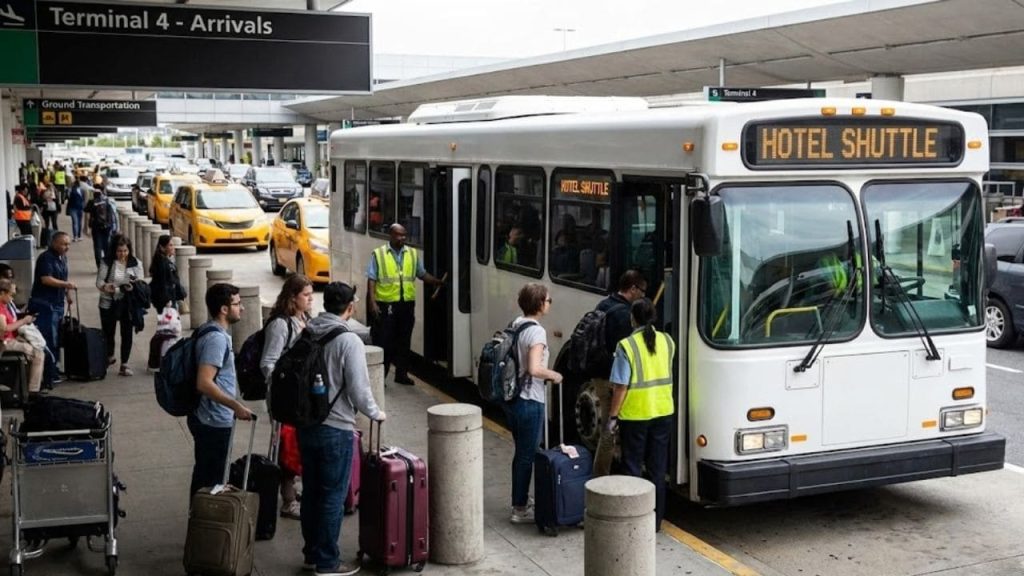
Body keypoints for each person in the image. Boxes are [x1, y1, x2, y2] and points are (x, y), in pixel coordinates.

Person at [301, 281, 385, 576]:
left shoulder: (309, 330)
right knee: (333, 496)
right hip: (334, 427)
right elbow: (360, 390)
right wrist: (376, 413)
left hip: (306, 423)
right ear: (350, 307)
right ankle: (327, 561)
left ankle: (312, 553)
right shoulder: (348, 340)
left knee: (311, 491)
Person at [605, 298, 675, 531]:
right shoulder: (667, 341)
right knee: (657, 469)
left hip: (635, 415)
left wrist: (612, 417)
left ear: (632, 319)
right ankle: (655, 522)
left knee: (633, 468)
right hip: (663, 412)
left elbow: (620, 387)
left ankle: (635, 519)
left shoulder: (626, 346)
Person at [504, 283, 563, 524]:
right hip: (530, 400)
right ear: (539, 304)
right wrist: (554, 375)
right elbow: (534, 368)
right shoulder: (536, 332)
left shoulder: (516, 324)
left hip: (514, 399)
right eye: (548, 301)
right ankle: (519, 508)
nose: (549, 304)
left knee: (521, 453)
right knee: (528, 455)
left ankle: (520, 499)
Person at [188, 283, 254, 497]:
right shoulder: (216, 339)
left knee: (206, 475)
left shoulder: (211, 332)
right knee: (211, 481)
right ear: (224, 309)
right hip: (213, 420)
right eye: (237, 303)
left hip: (210, 417)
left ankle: (200, 521)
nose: (241, 308)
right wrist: (235, 406)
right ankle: (203, 524)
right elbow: (204, 382)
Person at [260, 274, 314, 520]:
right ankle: (288, 500)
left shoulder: (303, 318)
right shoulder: (281, 324)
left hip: (301, 398)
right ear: (293, 297)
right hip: (284, 400)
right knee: (286, 450)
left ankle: (292, 492)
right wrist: (286, 383)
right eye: (306, 295)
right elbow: (268, 363)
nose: (310, 299)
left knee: (297, 447)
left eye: (311, 294)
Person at [365, 223, 444, 385]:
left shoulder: (412, 254)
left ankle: (401, 375)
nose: (402, 238)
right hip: (386, 305)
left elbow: (422, 274)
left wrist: (437, 282)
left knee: (404, 341)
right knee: (385, 342)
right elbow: (371, 280)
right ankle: (380, 378)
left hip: (406, 305)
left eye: (404, 235)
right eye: (399, 235)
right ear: (391, 235)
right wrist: (372, 302)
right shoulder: (379, 254)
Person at [28, 231, 75, 389]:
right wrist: (66, 286)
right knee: (49, 337)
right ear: (54, 243)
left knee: (57, 337)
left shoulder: (63, 258)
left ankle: (54, 368)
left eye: (68, 244)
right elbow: (46, 279)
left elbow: (64, 278)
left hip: (58, 303)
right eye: (63, 244)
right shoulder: (46, 258)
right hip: (45, 304)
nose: (66, 247)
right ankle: (49, 373)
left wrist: (67, 294)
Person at [97, 234, 144, 377]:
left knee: (127, 333)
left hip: (128, 303)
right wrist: (106, 287)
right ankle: (109, 355)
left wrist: (133, 285)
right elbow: (99, 282)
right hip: (108, 302)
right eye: (119, 251)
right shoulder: (107, 262)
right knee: (108, 332)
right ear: (114, 251)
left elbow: (140, 283)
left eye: (125, 251)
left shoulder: (135, 263)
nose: (122, 254)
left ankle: (124, 364)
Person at [0, 279, 44, 397]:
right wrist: (23, 321)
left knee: (37, 348)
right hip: (5, 342)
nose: (12, 298)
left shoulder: (5, 305)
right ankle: (32, 391)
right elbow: (5, 328)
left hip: (12, 337)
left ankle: (30, 387)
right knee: (36, 353)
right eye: (11, 295)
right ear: (2, 293)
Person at [598, 270, 648, 359]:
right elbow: (625, 349)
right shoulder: (625, 315)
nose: (643, 295)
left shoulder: (603, 304)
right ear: (633, 289)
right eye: (642, 291)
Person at [84, 184, 119, 270]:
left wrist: (87, 228)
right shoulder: (107, 201)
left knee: (97, 247)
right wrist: (114, 227)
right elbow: (113, 214)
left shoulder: (92, 202)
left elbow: (86, 210)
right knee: (106, 245)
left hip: (96, 227)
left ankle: (99, 266)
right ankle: (107, 264)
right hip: (107, 226)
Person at [149, 235, 185, 312]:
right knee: (169, 321)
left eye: (173, 245)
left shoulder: (164, 260)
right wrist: (167, 300)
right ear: (162, 247)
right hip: (166, 300)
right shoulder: (162, 262)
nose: (173, 247)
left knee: (168, 321)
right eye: (170, 245)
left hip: (168, 297)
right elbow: (163, 282)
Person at [67, 177, 86, 242]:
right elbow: (83, 199)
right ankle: (78, 236)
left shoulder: (72, 190)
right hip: (78, 208)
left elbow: (68, 197)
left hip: (74, 207)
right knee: (78, 222)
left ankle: (76, 236)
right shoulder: (80, 190)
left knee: (76, 222)